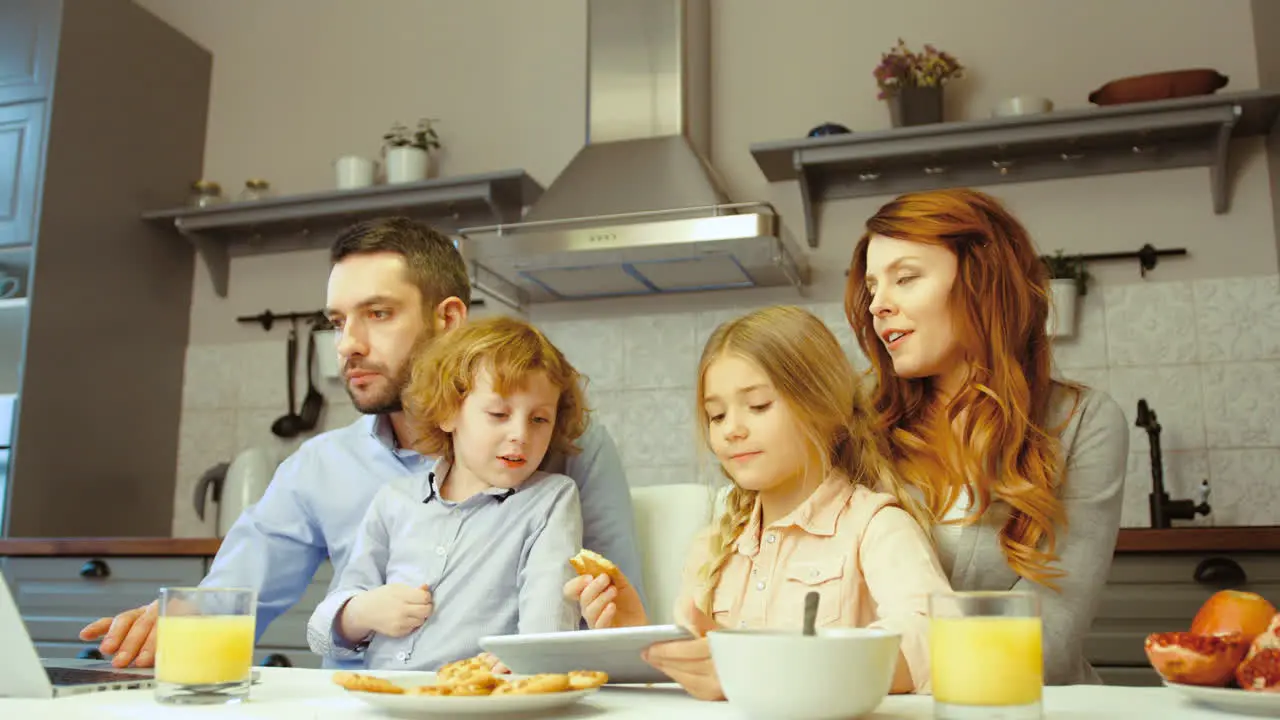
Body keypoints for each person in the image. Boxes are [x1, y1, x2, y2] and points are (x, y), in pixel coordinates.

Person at [79, 217, 645, 668]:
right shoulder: (322, 466)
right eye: (337, 321)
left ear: (449, 318)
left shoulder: (568, 447)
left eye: (377, 314)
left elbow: (616, 620)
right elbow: (231, 598)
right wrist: (168, 623)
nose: (347, 345)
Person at [565, 305, 953, 700]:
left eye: (759, 405)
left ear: (826, 409)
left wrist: (766, 669)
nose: (732, 429)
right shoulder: (712, 546)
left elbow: (935, 643)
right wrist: (637, 636)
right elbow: (701, 685)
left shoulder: (875, 527)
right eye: (716, 415)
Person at [843, 188, 1127, 685]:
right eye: (872, 287)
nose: (877, 306)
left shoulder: (1085, 422)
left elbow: (1051, 638)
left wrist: (878, 668)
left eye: (905, 278)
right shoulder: (855, 425)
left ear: (982, 281)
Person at [308, 315, 584, 670]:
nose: (520, 434)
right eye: (499, 413)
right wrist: (361, 612)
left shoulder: (550, 500)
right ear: (448, 413)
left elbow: (548, 627)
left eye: (539, 419)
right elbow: (320, 634)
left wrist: (525, 661)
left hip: (479, 699)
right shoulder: (395, 500)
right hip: (385, 698)